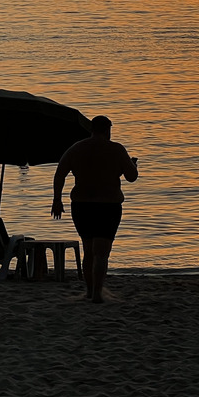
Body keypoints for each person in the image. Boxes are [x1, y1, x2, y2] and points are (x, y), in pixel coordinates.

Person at [51, 115, 138, 303]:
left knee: (88, 249)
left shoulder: (76, 148)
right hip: (108, 206)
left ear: (91, 129)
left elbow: (60, 174)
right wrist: (133, 165)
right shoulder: (116, 149)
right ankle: (97, 293)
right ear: (108, 130)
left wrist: (57, 200)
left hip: (82, 205)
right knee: (102, 251)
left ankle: (90, 291)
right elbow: (132, 177)